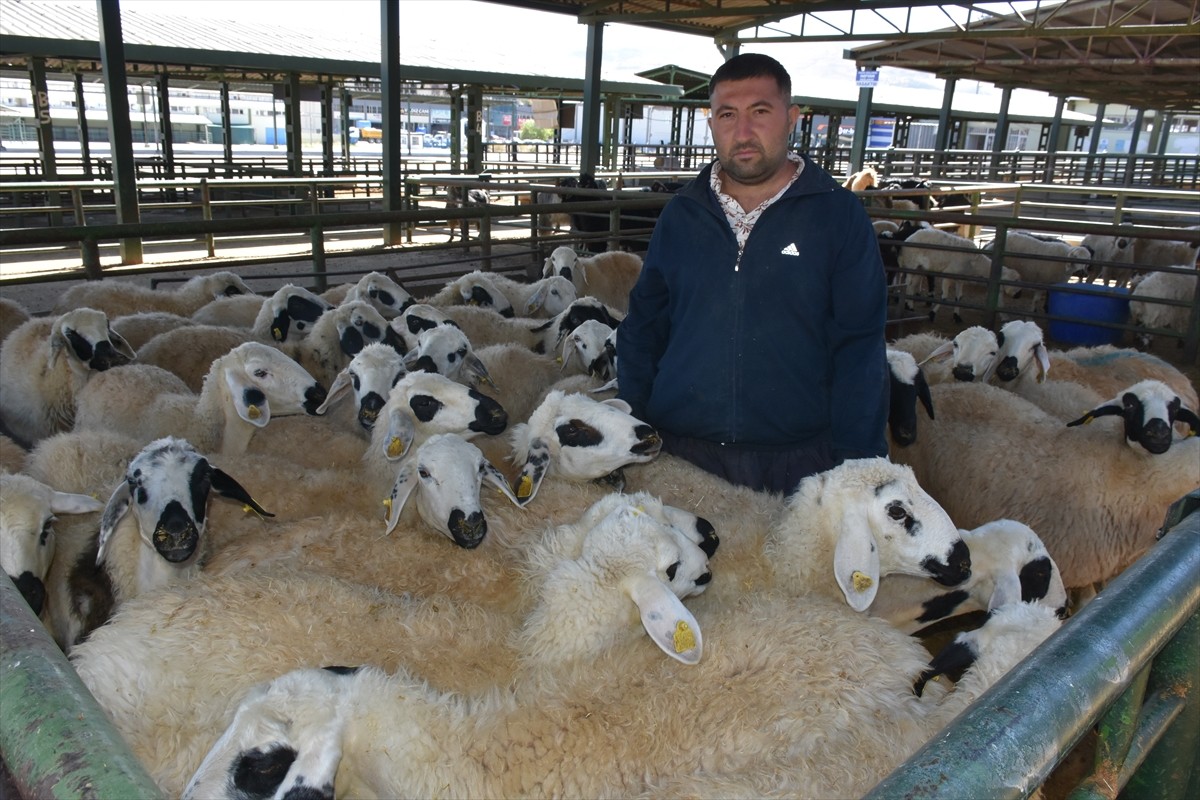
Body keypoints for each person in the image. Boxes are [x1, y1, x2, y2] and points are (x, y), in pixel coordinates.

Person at [617, 52, 890, 495]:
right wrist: (631, 425)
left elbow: (859, 347)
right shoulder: (682, 216)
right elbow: (643, 329)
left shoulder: (837, 217)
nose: (742, 132)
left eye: (760, 111)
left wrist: (859, 465)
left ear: (791, 118)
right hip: (680, 457)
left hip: (798, 463)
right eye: (728, 115)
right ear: (712, 124)